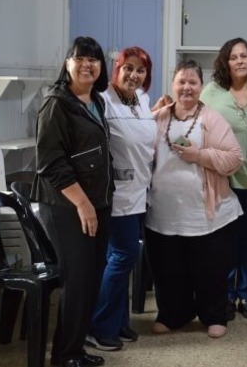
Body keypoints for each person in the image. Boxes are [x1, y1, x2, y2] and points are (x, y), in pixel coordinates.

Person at [146, 59, 243, 339]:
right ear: (173, 85)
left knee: (209, 269)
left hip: (207, 214)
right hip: (163, 212)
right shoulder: (159, 117)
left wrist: (199, 155)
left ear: (202, 87)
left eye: (193, 82)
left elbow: (234, 159)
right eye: (182, 82)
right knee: (168, 269)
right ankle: (173, 313)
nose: (187, 87)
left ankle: (213, 314)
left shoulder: (211, 118)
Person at [33, 36, 113, 367]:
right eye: (80, 58)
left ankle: (74, 349)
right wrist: (82, 204)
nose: (87, 64)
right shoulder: (56, 104)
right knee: (78, 280)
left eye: (94, 59)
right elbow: (51, 163)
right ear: (67, 64)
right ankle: (65, 356)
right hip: (69, 207)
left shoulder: (96, 102)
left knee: (91, 277)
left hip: (96, 203)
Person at [85, 47, 156, 352]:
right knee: (123, 256)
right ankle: (98, 326)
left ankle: (118, 322)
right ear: (115, 69)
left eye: (140, 70)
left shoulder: (142, 100)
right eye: (128, 68)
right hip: (117, 195)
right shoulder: (102, 101)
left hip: (141, 192)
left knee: (126, 258)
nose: (134, 75)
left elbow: (143, 134)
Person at [200, 38, 247, 321]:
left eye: (244, 56)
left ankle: (246, 295)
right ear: (225, 63)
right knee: (225, 241)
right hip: (224, 179)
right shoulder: (212, 92)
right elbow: (193, 121)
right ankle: (226, 295)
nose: (240, 61)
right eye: (233, 57)